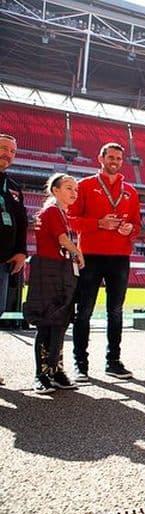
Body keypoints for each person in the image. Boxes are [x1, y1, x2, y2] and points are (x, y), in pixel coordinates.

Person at [69, 142, 141, 381]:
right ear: (100, 158)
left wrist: (130, 229)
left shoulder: (130, 191)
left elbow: (137, 225)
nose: (115, 161)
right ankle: (80, 363)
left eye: (119, 158)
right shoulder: (85, 186)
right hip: (90, 255)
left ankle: (114, 361)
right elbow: (70, 219)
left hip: (119, 257)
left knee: (116, 312)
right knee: (84, 311)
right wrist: (97, 223)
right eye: (110, 157)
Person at [22, 173, 83, 393]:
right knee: (47, 321)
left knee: (60, 321)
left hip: (61, 269)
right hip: (48, 270)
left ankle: (56, 370)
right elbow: (63, 240)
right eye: (68, 188)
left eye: (75, 189)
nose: (73, 193)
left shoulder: (62, 213)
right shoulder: (52, 211)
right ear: (55, 190)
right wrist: (79, 254)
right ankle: (41, 374)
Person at [0, 134, 27, 387]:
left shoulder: (14, 187)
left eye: (12, 151)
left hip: (3, 261)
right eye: (3, 149)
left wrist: (21, 251)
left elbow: (21, 222)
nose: (7, 154)